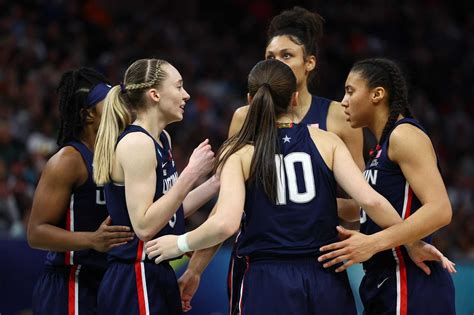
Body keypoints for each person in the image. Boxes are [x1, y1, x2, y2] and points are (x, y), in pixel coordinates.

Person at [145, 59, 451, 315]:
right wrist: (410, 241)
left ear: (251, 102)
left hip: (267, 278)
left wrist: (180, 244)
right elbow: (371, 201)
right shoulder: (327, 141)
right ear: (294, 99)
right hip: (325, 275)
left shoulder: (242, 152)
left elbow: (225, 223)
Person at [178, 7, 365, 313]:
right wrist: (195, 269)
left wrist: (301, 203)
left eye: (287, 55)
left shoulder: (339, 119)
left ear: (310, 63)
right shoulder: (244, 116)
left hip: (320, 264)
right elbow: (229, 208)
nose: (277, 63)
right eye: (270, 57)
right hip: (259, 265)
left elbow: (357, 208)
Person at [318, 58, 455, 314]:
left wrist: (371, 243)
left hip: (410, 280)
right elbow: (366, 209)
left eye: (350, 91)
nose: (343, 101)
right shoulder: (379, 149)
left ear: (377, 94)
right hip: (384, 279)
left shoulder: (404, 135)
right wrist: (313, 204)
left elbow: (440, 209)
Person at [92, 58, 219, 314]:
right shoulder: (137, 143)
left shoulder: (162, 138)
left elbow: (171, 213)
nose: (186, 94)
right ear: (155, 95)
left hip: (155, 273)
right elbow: (145, 226)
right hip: (135, 276)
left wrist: (217, 182)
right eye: (179, 86)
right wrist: (191, 173)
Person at [27, 68, 135, 315]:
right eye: (110, 105)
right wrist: (92, 240)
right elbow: (35, 232)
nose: (119, 109)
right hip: (71, 282)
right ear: (88, 115)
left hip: (109, 281)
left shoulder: (121, 153)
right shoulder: (69, 160)